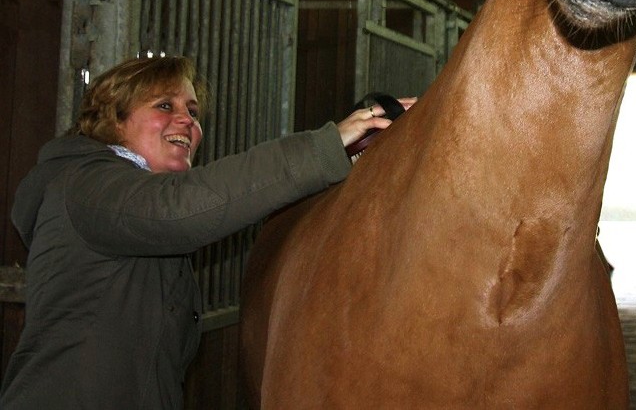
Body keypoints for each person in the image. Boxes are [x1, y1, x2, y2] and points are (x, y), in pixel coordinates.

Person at [0, 55, 415, 410]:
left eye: (194, 112)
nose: (187, 120)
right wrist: (327, 145)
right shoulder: (86, 185)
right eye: (164, 105)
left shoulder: (119, 197)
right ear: (114, 120)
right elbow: (183, 208)